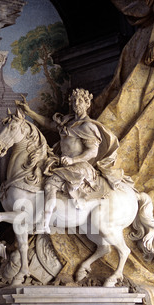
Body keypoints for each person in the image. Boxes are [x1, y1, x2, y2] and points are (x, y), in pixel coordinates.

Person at [17, 88, 122, 233]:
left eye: (80, 101)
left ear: (87, 104)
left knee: (49, 186)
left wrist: (73, 160)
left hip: (79, 166)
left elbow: (93, 151)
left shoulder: (88, 127)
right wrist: (29, 112)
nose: (76, 104)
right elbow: (49, 124)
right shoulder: (67, 122)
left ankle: (45, 224)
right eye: (73, 101)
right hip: (62, 163)